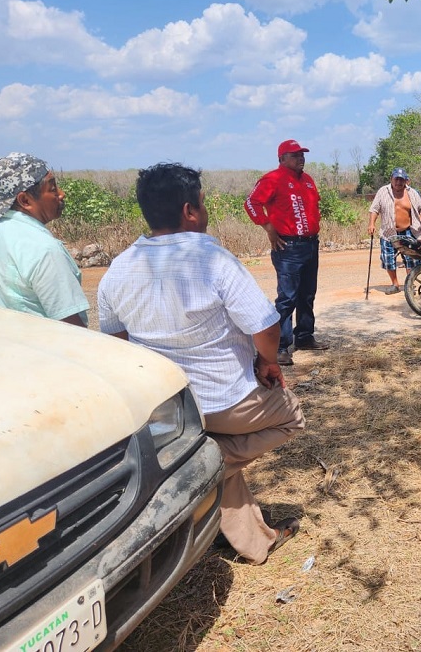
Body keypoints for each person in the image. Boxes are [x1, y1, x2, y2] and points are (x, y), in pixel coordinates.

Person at [99, 163, 306, 565]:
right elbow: (266, 326)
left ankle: (254, 541)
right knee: (291, 418)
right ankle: (195, 470)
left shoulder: (118, 268)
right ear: (190, 211)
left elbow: (118, 345)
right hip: (225, 401)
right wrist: (268, 363)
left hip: (167, 411)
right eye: (204, 204)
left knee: (209, 445)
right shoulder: (212, 258)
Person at [0, 152, 88, 326]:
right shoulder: (43, 248)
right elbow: (72, 328)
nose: (61, 194)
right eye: (52, 188)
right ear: (25, 200)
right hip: (36, 351)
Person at [245, 139, 328, 367]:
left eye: (302, 155)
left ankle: (304, 336)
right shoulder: (272, 179)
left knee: (307, 294)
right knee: (287, 298)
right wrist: (268, 227)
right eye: (295, 155)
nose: (301, 158)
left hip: (311, 244)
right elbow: (251, 203)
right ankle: (280, 347)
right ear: (282, 159)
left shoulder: (308, 180)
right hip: (288, 247)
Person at [368, 167, 421, 294]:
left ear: (405, 181)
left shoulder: (412, 193)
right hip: (388, 232)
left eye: (401, 180)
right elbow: (374, 209)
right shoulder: (383, 192)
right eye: (396, 179)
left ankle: (409, 285)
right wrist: (371, 224)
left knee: (411, 259)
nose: (398, 182)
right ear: (391, 179)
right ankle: (395, 284)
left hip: (408, 231)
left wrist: (419, 223)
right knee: (388, 259)